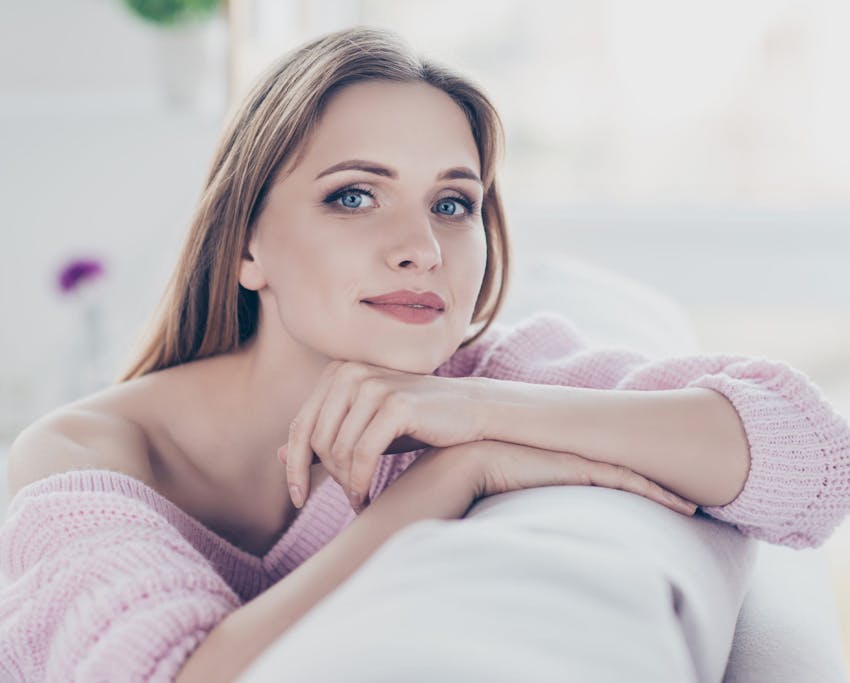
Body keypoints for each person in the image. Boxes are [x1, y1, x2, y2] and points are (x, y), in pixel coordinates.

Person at [2, 25, 849, 683]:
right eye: (355, 195)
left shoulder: (467, 381)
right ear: (243, 248)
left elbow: (815, 462)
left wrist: (482, 413)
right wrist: (457, 475)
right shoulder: (80, 460)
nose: (421, 247)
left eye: (453, 202)